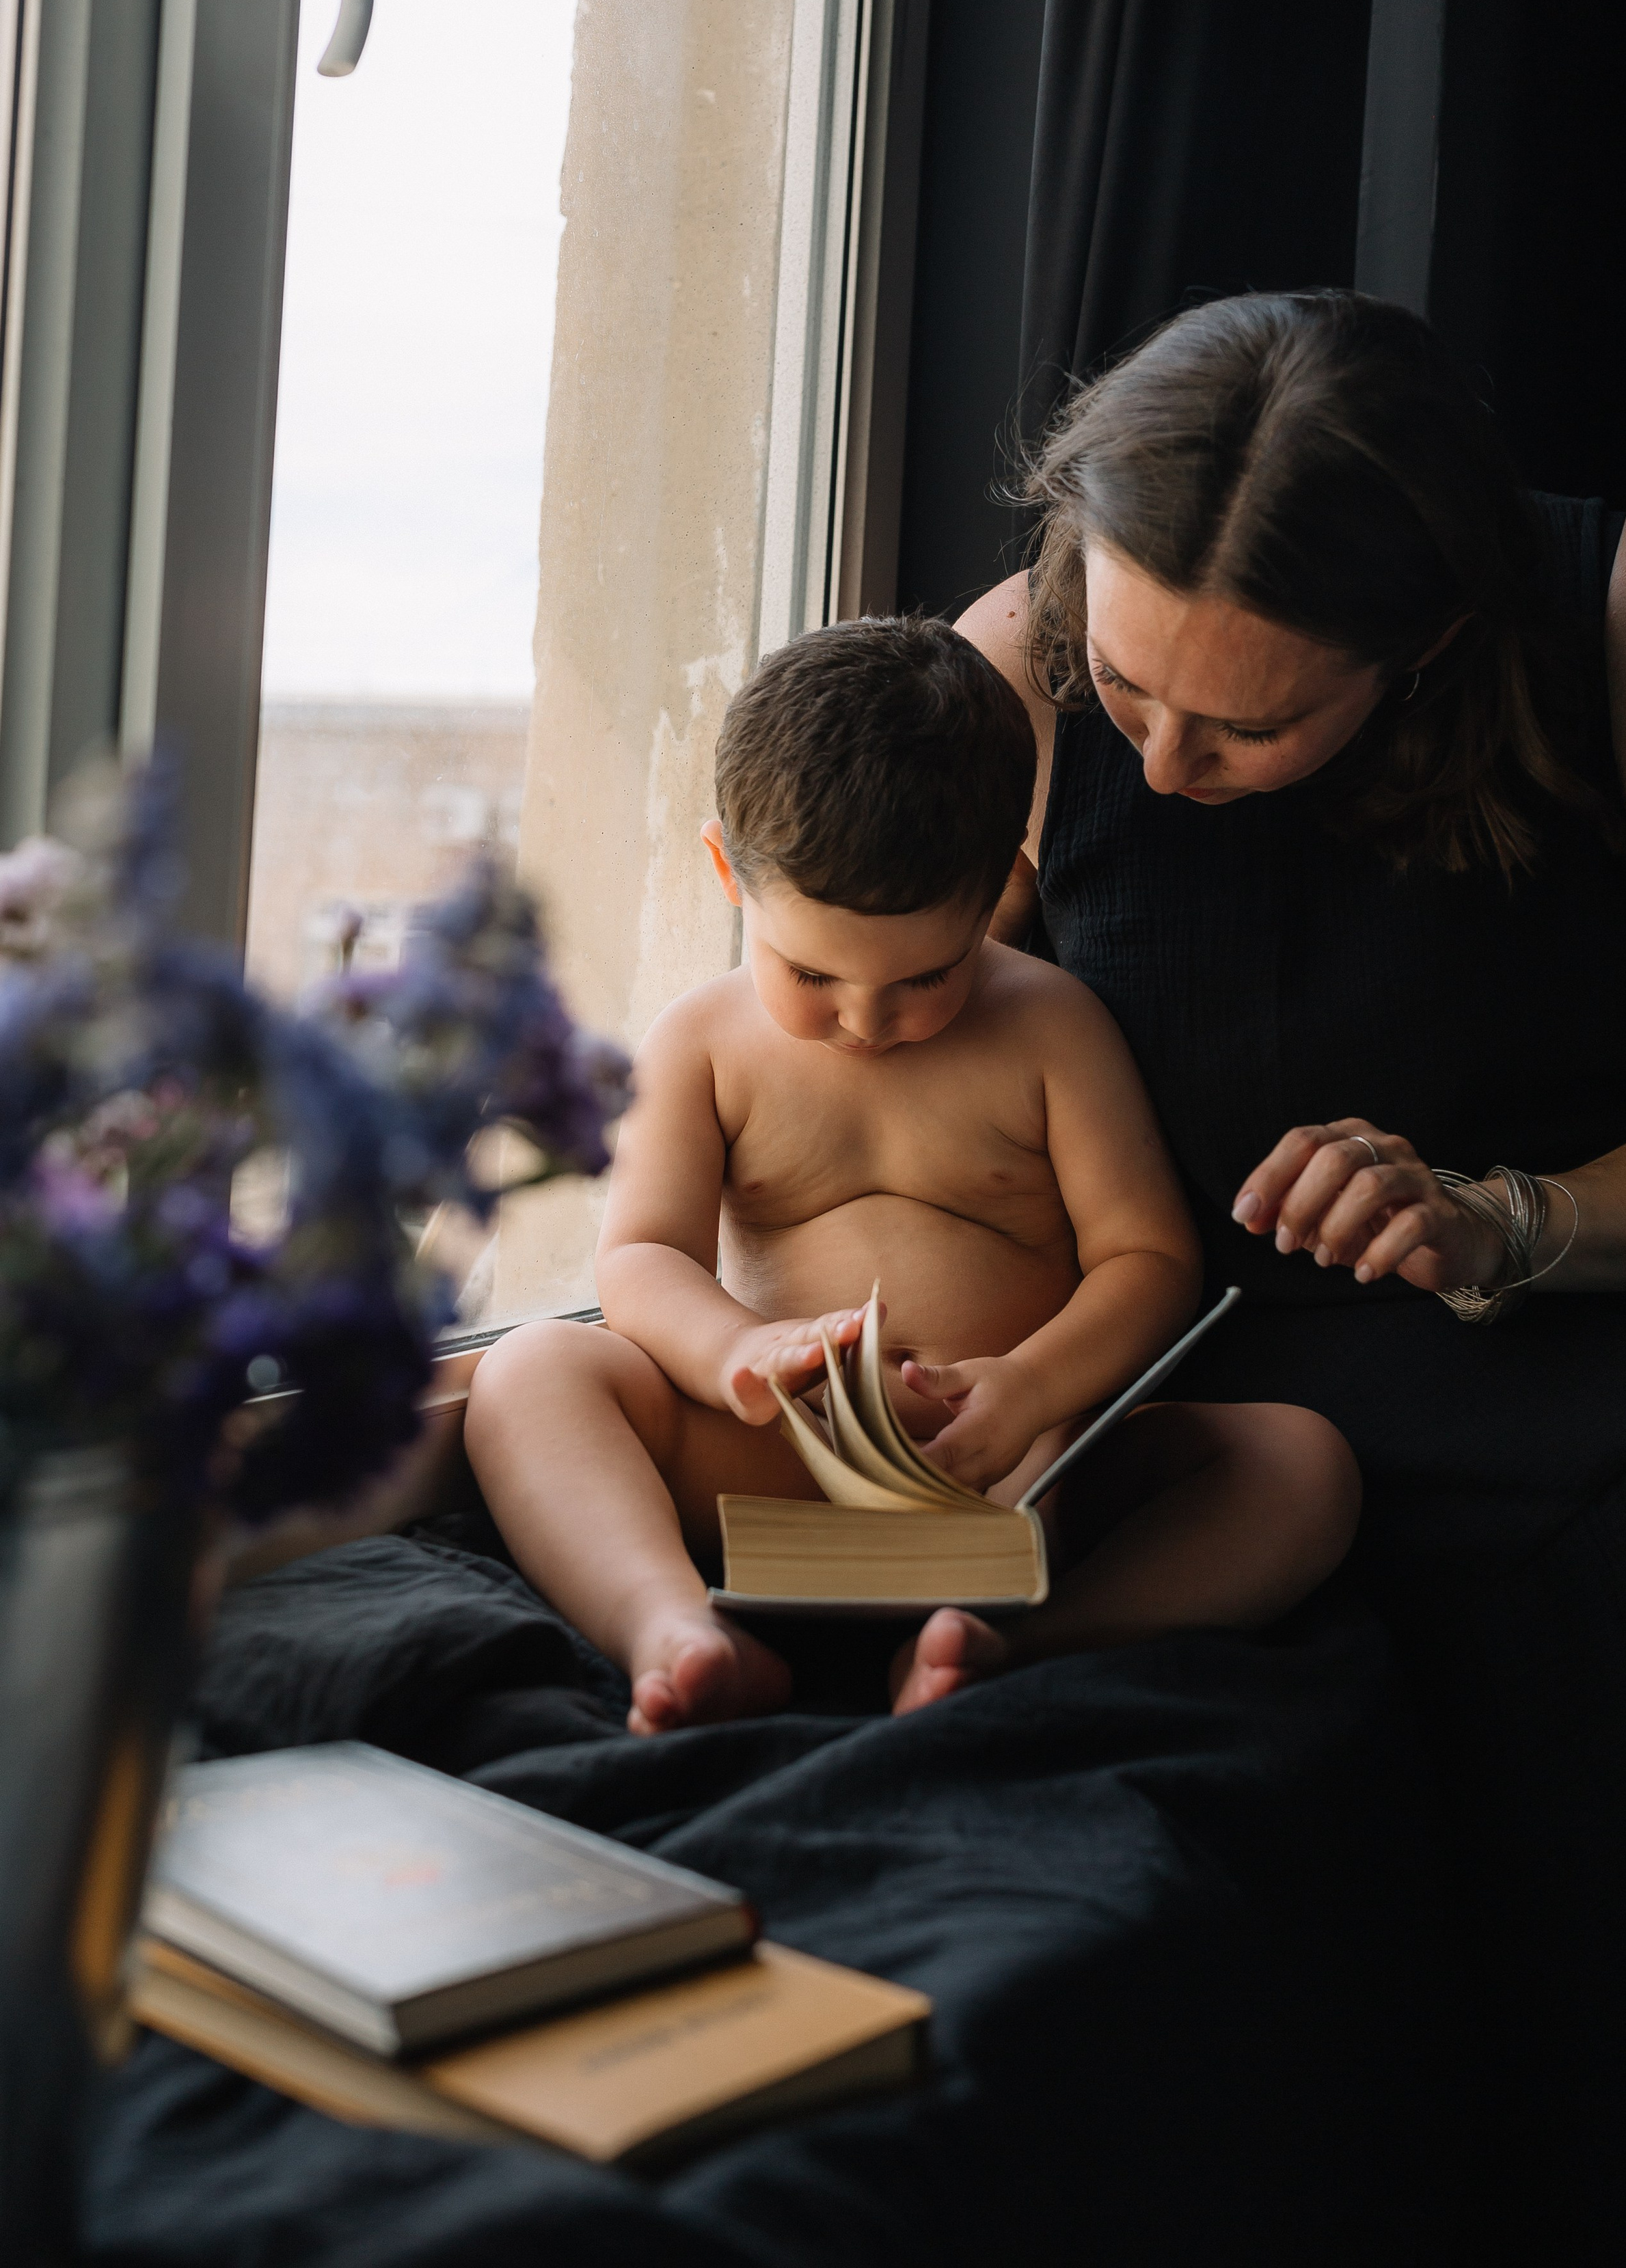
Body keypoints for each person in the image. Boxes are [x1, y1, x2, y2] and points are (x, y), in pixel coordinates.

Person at [956, 288, 1626, 2262]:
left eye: (1250, 721)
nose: (1170, 754)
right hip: (1175, 1361)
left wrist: (1504, 1218)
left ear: (1434, 646)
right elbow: (868, 1073)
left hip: (1554, 1343)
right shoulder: (1013, 666)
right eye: (1134, 690)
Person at [465, 617, 1358, 1734]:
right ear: (727, 872)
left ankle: (1011, 1645)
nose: (867, 1020)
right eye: (811, 972)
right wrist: (737, 1350)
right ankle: (673, 1629)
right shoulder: (698, 1042)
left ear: (998, 892)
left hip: (1009, 1477)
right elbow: (642, 1257)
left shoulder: (1052, 1032)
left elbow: (1151, 1258)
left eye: (928, 975)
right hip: (764, 1457)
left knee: (1301, 1464)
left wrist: (1028, 1390)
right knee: (531, 1369)